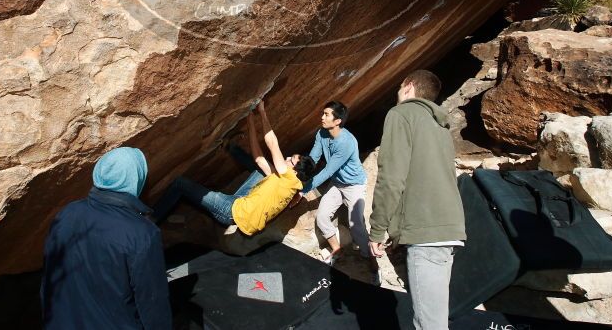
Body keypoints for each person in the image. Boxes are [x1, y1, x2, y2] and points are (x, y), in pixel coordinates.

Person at [369, 70, 466, 330]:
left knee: (428, 325)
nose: (398, 92)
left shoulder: (400, 114)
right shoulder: (440, 125)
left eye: (400, 87)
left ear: (409, 86)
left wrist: (377, 230)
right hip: (449, 229)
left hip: (426, 233)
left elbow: (391, 178)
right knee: (434, 319)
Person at [41, 147, 171, 330]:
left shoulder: (67, 213)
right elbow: (153, 303)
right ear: (137, 178)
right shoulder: (142, 233)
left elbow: (48, 280)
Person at [152, 101, 315, 236]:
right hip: (242, 203)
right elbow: (259, 158)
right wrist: (250, 120)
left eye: (290, 160)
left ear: (295, 171)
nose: (286, 159)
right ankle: (230, 146)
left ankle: (151, 221)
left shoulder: (289, 178)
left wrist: (262, 111)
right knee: (259, 169)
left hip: (231, 211)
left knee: (180, 184)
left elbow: (272, 143)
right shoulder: (287, 184)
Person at [291, 101, 379, 281]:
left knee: (357, 225)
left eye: (327, 114)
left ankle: (373, 262)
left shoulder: (346, 142)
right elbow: (313, 159)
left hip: (354, 185)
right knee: (322, 217)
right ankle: (337, 250)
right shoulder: (321, 133)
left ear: (337, 121)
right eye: (322, 113)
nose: (322, 117)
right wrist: (296, 176)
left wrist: (303, 190)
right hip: (337, 184)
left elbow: (328, 170)